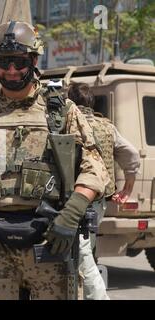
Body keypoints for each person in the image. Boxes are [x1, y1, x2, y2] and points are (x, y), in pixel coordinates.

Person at [0, 20, 110, 300]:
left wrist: (71, 213)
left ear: (34, 59)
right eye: (4, 62)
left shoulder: (60, 111)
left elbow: (95, 168)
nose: (12, 71)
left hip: (49, 237)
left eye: (19, 62)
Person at [68, 82, 140, 300]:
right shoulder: (107, 126)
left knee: (81, 254)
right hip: (98, 202)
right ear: (91, 102)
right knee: (85, 249)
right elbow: (132, 156)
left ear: (70, 100)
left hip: (72, 201)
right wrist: (128, 188)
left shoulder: (65, 122)